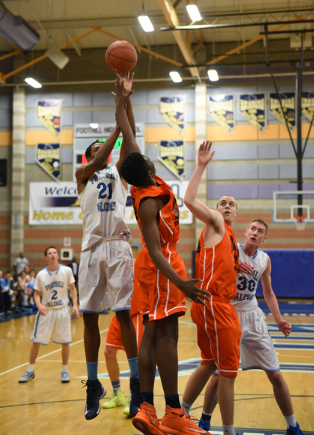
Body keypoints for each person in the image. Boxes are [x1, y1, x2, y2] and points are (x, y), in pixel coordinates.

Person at [119, 150, 210, 434]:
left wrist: (123, 105)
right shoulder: (147, 203)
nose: (148, 157)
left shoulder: (144, 182)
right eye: (147, 159)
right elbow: (158, 252)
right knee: (167, 333)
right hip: (162, 267)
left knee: (151, 331)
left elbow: (130, 142)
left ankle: (147, 408)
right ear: (148, 171)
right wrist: (181, 283)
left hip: (152, 267)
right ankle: (173, 412)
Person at [188, 219, 304, 435]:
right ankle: (205, 421)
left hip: (252, 316)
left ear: (264, 238)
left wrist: (278, 320)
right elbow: (214, 269)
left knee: (276, 375)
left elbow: (268, 292)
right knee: (218, 374)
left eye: (260, 231)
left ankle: (292, 426)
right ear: (245, 231)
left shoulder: (265, 260)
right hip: (228, 313)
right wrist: (233, 264)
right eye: (252, 229)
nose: (255, 233)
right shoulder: (232, 249)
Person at [76, 72, 142, 421]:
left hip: (117, 246)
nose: (106, 150)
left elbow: (128, 143)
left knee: (123, 314)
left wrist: (125, 101)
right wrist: (116, 114)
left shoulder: (119, 172)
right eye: (98, 147)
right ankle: (93, 384)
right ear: (89, 155)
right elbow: (103, 155)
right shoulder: (83, 174)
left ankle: (134, 384)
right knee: (89, 318)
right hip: (90, 249)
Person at [179, 141, 241, 435]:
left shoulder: (230, 239)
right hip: (216, 305)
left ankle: (180, 412)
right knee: (227, 374)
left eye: (231, 204)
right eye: (223, 203)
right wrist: (202, 165)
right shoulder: (216, 223)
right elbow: (189, 200)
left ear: (236, 214)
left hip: (210, 305)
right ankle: (228, 431)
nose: (226, 206)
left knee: (208, 364)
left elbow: (229, 262)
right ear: (218, 210)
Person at [18, 246, 79, 383]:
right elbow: (36, 294)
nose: (53, 255)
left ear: (57, 256)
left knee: (65, 342)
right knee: (36, 341)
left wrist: (75, 305)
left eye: (55, 253)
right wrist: (39, 305)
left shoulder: (67, 270)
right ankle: (30, 370)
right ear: (46, 257)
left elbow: (73, 288)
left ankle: (64, 371)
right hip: (47, 311)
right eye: (50, 253)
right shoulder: (41, 274)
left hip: (62, 310)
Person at [102, 269, 143, 416]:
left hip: (135, 314)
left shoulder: (137, 262)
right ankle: (117, 393)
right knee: (108, 352)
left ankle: (134, 395)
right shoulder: (111, 267)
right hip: (118, 314)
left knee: (134, 357)